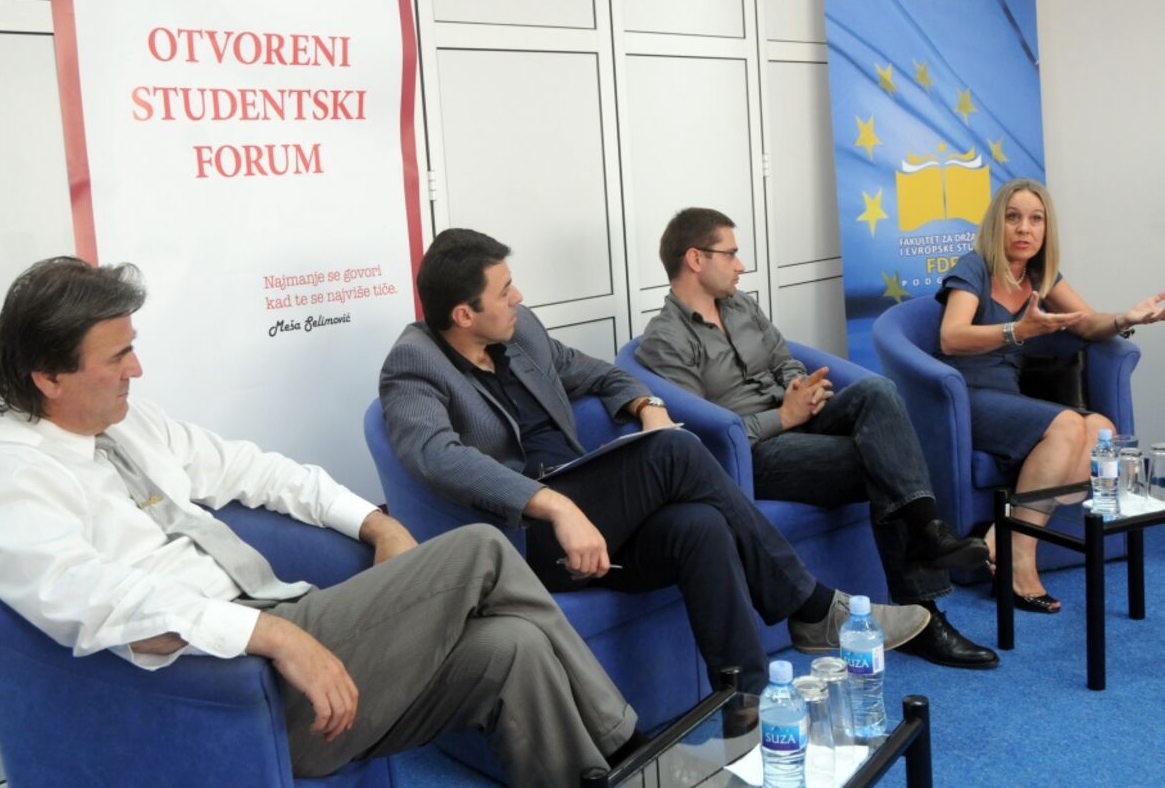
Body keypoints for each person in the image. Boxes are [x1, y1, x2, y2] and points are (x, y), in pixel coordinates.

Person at [0, 257, 642, 788]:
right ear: (48, 377)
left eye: (131, 348)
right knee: (479, 551)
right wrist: (272, 635)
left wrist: (376, 524)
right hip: (227, 684)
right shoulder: (5, 475)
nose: (136, 370)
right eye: (117, 357)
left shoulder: (130, 424)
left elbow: (258, 471)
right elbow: (89, 600)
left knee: (511, 648)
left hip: (284, 629)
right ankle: (626, 742)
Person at [379, 227, 931, 696]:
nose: (518, 297)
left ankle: (746, 706)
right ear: (463, 314)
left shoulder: (521, 333)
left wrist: (649, 407)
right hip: (528, 535)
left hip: (593, 509)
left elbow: (604, 374)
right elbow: (438, 457)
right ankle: (810, 605)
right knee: (675, 450)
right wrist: (554, 506)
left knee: (701, 525)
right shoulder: (414, 365)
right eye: (504, 292)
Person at [635, 207, 998, 670]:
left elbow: (783, 357)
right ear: (695, 259)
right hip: (757, 451)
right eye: (731, 254)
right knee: (885, 461)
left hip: (799, 417)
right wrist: (783, 417)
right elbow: (705, 437)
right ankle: (925, 615)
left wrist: (798, 387)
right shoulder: (664, 340)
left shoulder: (740, 304)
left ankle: (929, 531)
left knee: (877, 391)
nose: (741, 265)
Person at [936, 178, 1165, 612]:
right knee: (1066, 426)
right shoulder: (974, 268)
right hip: (964, 397)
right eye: (1013, 217)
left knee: (1100, 429)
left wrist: (1126, 318)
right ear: (997, 224)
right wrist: (1017, 330)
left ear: (1046, 228)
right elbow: (951, 336)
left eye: (1035, 219)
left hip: (1009, 396)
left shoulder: (1040, 275)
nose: (1025, 228)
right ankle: (1021, 560)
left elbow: (1086, 323)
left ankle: (998, 536)